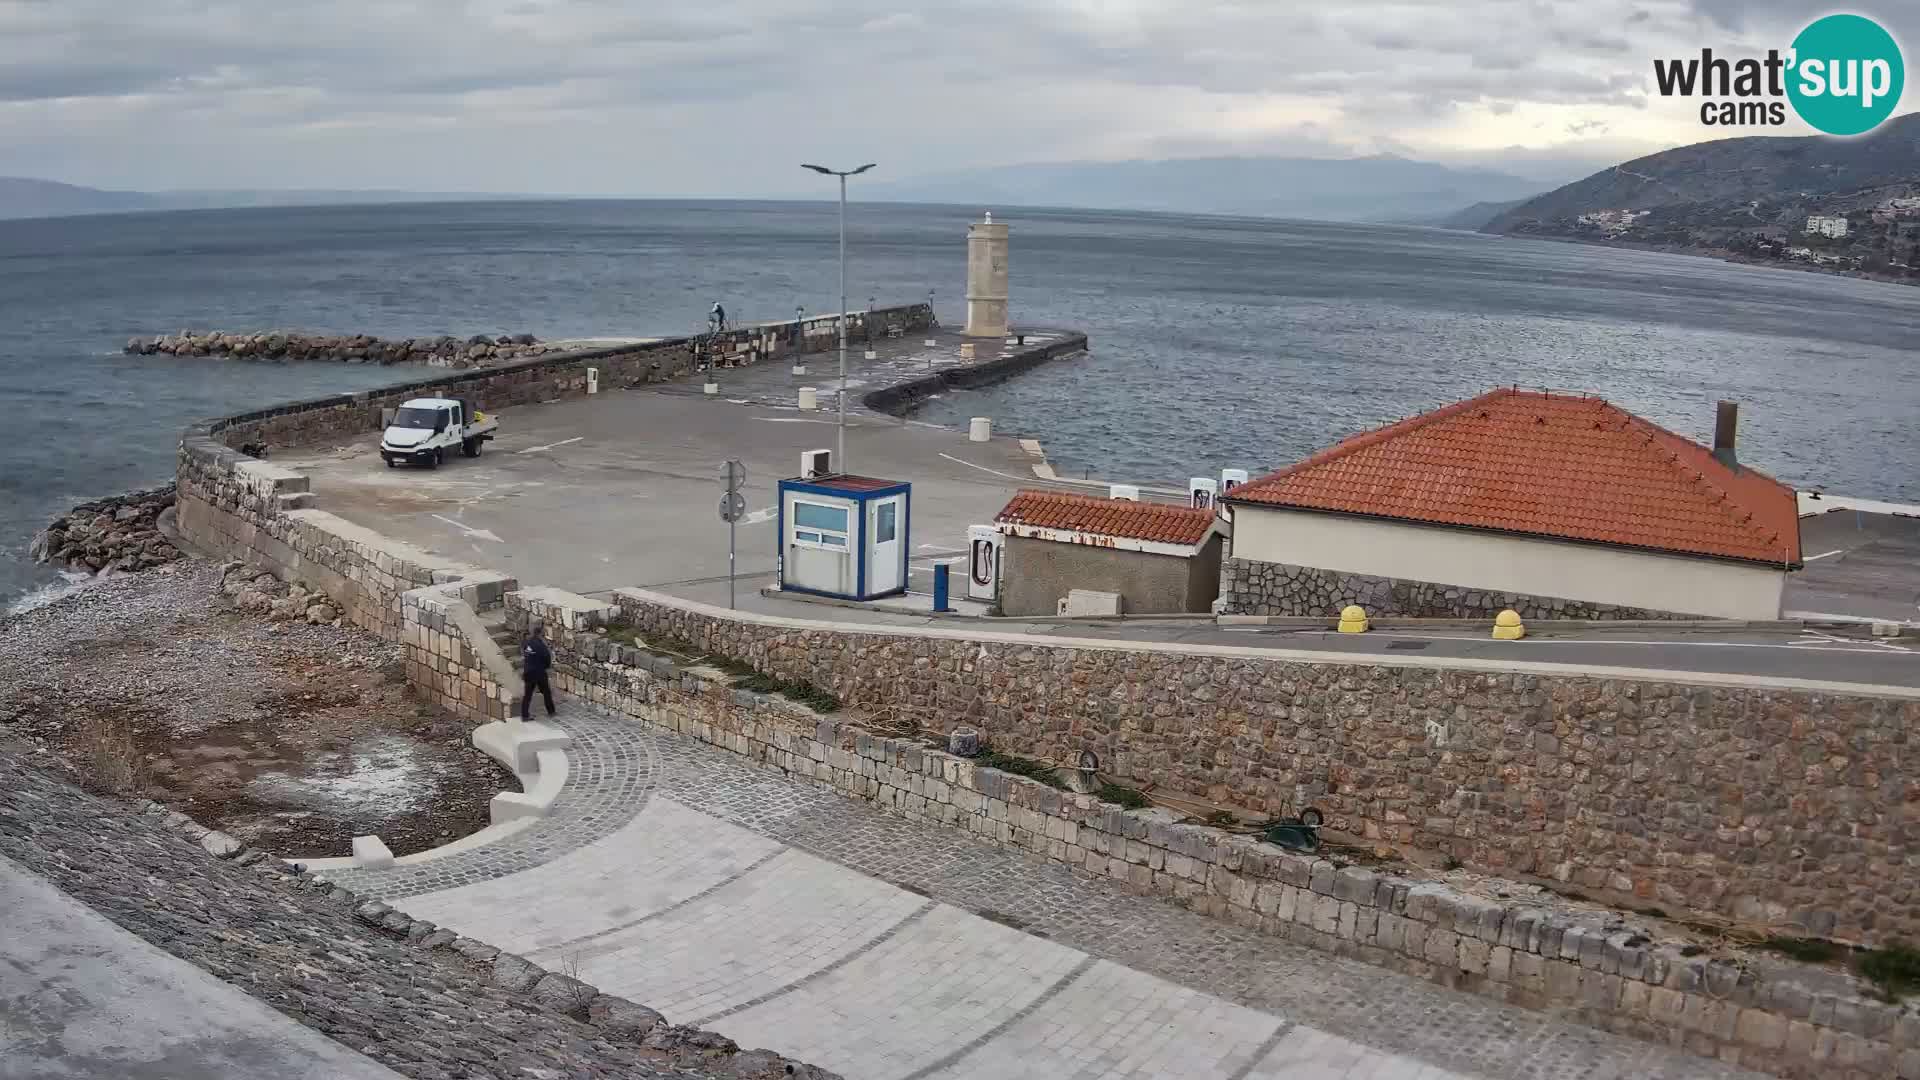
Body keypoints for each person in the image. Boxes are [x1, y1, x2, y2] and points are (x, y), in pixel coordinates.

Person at [519, 621, 555, 721]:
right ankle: (551, 711)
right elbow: (547, 658)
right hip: (539, 673)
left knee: (527, 695)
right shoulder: (541, 646)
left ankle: (524, 715)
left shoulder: (527, 643)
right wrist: (546, 667)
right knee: (546, 692)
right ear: (540, 634)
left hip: (528, 672)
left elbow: (525, 654)